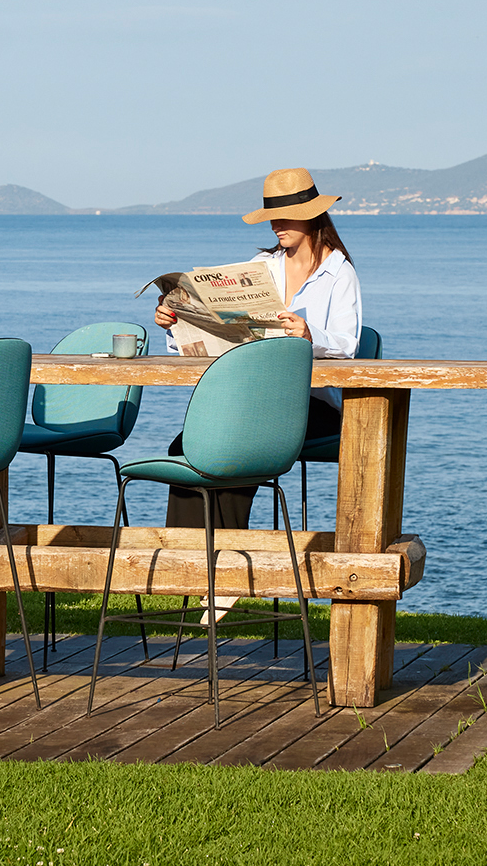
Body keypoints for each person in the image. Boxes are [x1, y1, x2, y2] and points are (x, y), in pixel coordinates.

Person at [153, 168, 363, 618]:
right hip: (253, 396)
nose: (276, 225)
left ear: (312, 216)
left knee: (238, 447)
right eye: (271, 218)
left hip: (311, 406)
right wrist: (176, 322)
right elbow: (221, 333)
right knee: (186, 447)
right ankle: (193, 572)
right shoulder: (261, 267)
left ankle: (226, 572)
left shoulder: (338, 272)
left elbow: (348, 345)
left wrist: (310, 334)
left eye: (284, 217)